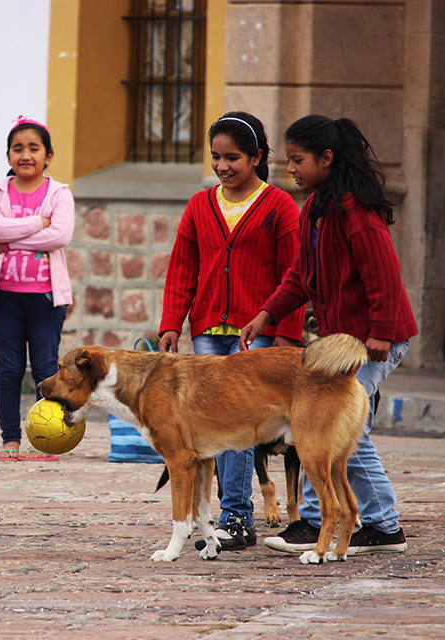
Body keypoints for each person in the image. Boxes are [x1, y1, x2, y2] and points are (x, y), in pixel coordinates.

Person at [240, 114, 418, 555]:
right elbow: (299, 277)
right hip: (344, 341)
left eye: (298, 160)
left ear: (326, 158)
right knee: (337, 431)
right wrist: (265, 315)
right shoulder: (315, 209)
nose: (291, 170)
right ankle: (331, 521)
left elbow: (384, 279)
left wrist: (380, 334)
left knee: (341, 432)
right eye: (288, 161)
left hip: (377, 338)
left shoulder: (357, 213)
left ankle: (382, 526)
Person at [158, 111, 304, 551]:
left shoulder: (279, 205)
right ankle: (230, 516)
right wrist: (171, 324)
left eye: (233, 158)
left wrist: (287, 333)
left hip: (257, 333)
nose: (223, 166)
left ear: (257, 157)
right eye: (216, 157)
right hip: (206, 330)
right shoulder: (199, 206)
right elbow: (181, 269)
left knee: (239, 424)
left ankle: (237, 518)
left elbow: (294, 275)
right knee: (216, 424)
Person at [0, 116, 75, 462]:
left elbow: (61, 235)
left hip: (46, 298)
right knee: (8, 368)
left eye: (34, 148)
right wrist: (38, 223)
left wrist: (9, 241)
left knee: (45, 369)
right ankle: (10, 439)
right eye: (17, 148)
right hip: (4, 296)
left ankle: (48, 438)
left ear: (48, 156)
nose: (26, 155)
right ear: (8, 156)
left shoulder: (59, 193)